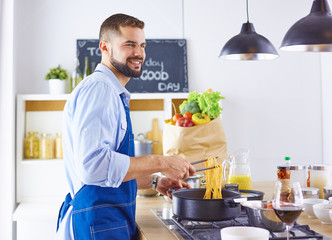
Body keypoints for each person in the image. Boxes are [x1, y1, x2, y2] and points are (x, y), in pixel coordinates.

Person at [56, 13, 196, 240]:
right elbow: (93, 167)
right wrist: (162, 161)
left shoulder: (113, 92)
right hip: (98, 223)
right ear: (105, 47)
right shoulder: (100, 89)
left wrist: (154, 181)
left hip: (107, 220)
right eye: (129, 44)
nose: (139, 53)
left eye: (142, 45)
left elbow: (109, 172)